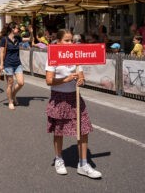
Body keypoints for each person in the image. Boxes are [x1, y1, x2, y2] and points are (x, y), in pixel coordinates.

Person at [45, 29, 101, 179]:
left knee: (83, 129)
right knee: (59, 131)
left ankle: (83, 164)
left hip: (75, 97)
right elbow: (49, 80)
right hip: (59, 98)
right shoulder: (53, 57)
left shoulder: (76, 55)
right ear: (58, 41)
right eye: (67, 40)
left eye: (72, 40)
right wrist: (66, 79)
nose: (71, 43)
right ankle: (59, 159)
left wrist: (81, 80)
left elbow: (81, 76)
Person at [0, 22, 32, 110]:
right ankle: (10, 101)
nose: (19, 30)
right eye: (18, 28)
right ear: (13, 29)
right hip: (8, 64)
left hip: (17, 64)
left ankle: (13, 94)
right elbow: (2, 52)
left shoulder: (18, 38)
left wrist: (31, 32)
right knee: (10, 83)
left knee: (21, 83)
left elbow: (30, 39)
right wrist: (1, 64)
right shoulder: (4, 39)